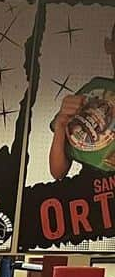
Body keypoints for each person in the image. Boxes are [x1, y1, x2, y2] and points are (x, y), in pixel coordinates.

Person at [48, 19, 115, 180]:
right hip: (90, 193)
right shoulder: (94, 89)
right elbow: (58, 172)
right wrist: (61, 125)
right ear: (109, 45)